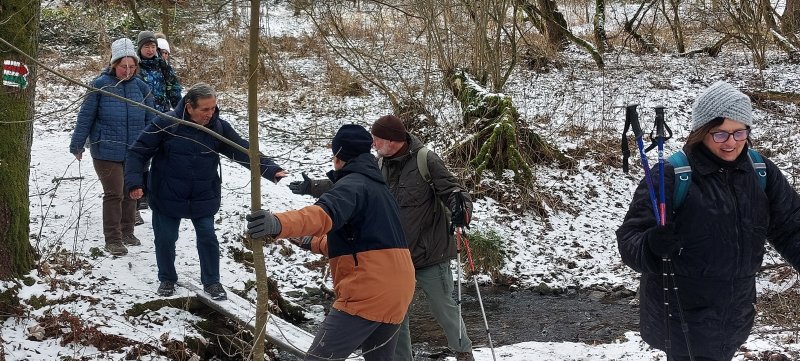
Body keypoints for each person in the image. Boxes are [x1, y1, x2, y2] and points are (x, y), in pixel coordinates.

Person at [616, 81, 800, 361]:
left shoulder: (760, 170)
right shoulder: (672, 174)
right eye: (720, 134)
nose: (731, 143)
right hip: (681, 316)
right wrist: (651, 246)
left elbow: (791, 226)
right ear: (701, 132)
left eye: (740, 132)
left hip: (736, 312)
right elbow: (630, 237)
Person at [288, 115, 476, 361]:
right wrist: (312, 186)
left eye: (376, 140)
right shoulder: (377, 165)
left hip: (431, 253)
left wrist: (462, 209)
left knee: (444, 308)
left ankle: (463, 352)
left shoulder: (425, 159)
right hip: (396, 258)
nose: (373, 145)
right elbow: (353, 187)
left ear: (392, 140)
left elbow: (453, 190)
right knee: (397, 317)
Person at [245, 124, 415, 361]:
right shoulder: (378, 188)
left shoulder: (353, 185)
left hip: (368, 292)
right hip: (398, 290)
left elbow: (320, 215)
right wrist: (311, 243)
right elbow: (363, 244)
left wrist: (278, 223)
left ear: (339, 157)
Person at [124, 83, 286, 300]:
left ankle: (212, 282)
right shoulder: (166, 123)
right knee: (165, 238)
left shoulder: (218, 127)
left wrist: (271, 169)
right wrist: (135, 183)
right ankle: (167, 278)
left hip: (203, 194)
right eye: (205, 109)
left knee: (208, 237)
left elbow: (242, 150)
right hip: (167, 193)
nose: (211, 114)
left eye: (213, 108)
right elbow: (137, 152)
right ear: (189, 107)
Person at [69, 37, 156, 256]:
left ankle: (127, 231)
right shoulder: (99, 85)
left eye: (132, 66)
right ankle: (113, 238)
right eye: (123, 66)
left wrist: (152, 145)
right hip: (105, 150)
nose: (128, 70)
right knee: (114, 193)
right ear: (114, 64)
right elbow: (85, 117)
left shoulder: (142, 88)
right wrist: (77, 144)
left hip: (134, 151)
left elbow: (151, 120)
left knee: (130, 193)